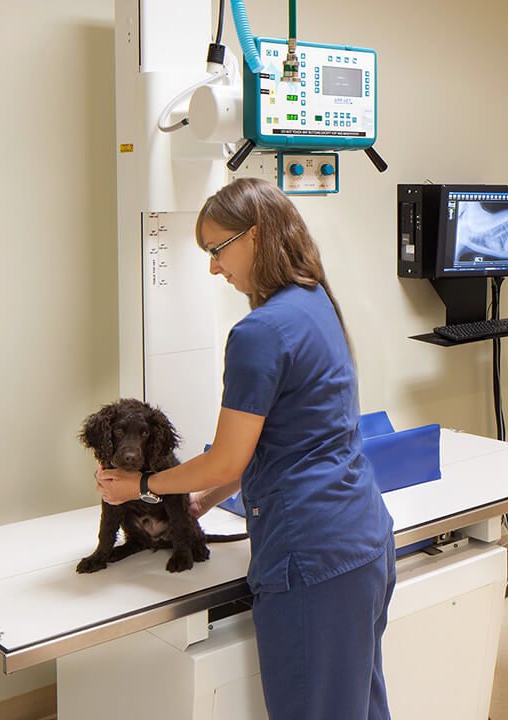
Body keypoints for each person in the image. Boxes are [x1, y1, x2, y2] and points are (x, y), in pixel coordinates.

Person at [95, 177, 395, 720]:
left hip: (312, 558)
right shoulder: (316, 299)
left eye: (216, 250)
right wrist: (208, 500)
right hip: (363, 541)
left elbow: (230, 457)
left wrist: (140, 486)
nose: (214, 268)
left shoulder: (259, 331)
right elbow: (288, 438)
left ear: (254, 237)